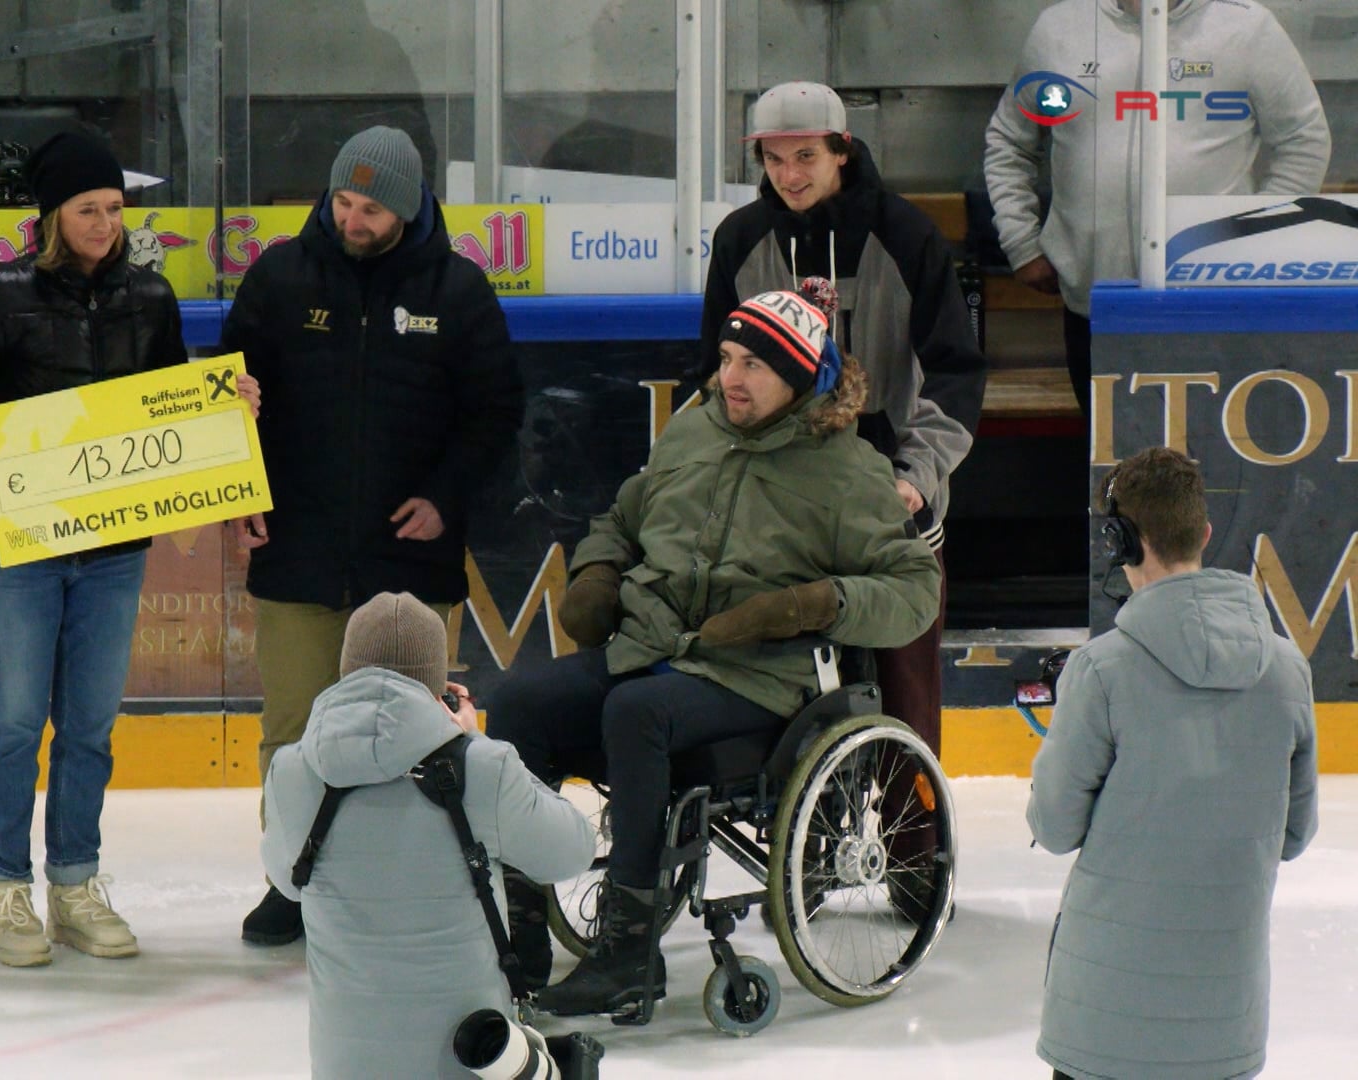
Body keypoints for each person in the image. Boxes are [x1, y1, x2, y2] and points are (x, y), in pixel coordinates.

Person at [485, 288, 941, 1016]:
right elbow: (622, 517)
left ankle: (629, 955)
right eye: (727, 358)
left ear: (798, 377)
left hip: (760, 676)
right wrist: (599, 571)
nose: (730, 377)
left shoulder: (849, 471)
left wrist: (811, 604)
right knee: (517, 702)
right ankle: (522, 931)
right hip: (652, 646)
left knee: (637, 712)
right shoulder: (694, 430)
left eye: (753, 364)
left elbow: (915, 590)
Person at [0, 129, 256, 967]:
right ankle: (4, 889)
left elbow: (170, 407)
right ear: (51, 216)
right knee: (15, 720)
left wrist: (224, 405)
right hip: (13, 544)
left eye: (113, 208)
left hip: (112, 546)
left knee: (91, 725)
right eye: (86, 210)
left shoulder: (152, 295)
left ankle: (73, 883)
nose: (104, 224)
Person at [218, 125, 525, 947]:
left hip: (409, 559)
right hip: (297, 552)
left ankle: (401, 883)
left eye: (371, 210)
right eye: (344, 203)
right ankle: (290, 881)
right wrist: (240, 482)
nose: (352, 221)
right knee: (292, 732)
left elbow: (495, 412)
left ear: (409, 208)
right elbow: (222, 398)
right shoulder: (279, 277)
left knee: (410, 732)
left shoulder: (459, 291)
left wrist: (444, 497)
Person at [703, 80, 986, 825]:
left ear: (842, 152)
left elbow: (956, 372)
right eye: (773, 159)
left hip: (890, 504)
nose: (788, 175)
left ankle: (915, 850)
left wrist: (916, 475)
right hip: (780, 503)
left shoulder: (908, 236)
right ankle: (806, 847)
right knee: (784, 687)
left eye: (805, 156)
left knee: (905, 692)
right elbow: (711, 377)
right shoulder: (739, 240)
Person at [1029, 447, 1317, 1080]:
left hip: (1104, 1029)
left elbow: (1053, 826)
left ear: (1120, 541)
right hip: (1225, 1030)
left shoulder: (1100, 671)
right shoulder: (1288, 671)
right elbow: (1294, 836)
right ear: (1204, 533)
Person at [262, 591, 596, 1079]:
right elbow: (573, 851)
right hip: (471, 1060)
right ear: (438, 683)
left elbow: (288, 883)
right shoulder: (481, 767)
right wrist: (474, 740)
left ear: (346, 669)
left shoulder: (292, 770)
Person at [983, 0, 1329, 416]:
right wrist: (1021, 242)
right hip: (1096, 308)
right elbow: (1010, 142)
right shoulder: (1059, 29)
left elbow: (1304, 141)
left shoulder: (1246, 28)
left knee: (1208, 449)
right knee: (1109, 450)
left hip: (1212, 309)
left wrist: (1249, 248)